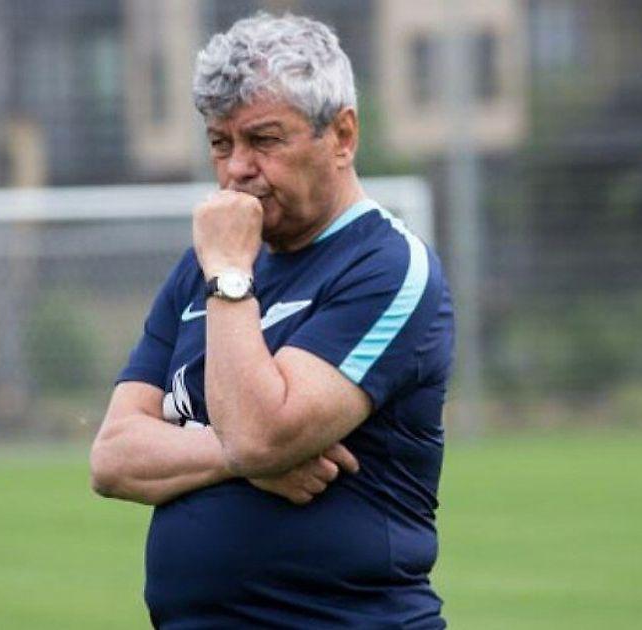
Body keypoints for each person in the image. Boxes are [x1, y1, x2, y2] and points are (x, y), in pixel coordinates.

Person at [90, 12, 454, 629]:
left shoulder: (388, 266)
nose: (237, 168)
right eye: (220, 143)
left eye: (263, 140)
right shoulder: (203, 267)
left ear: (342, 136)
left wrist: (231, 275)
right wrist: (236, 458)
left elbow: (260, 434)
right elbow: (113, 457)